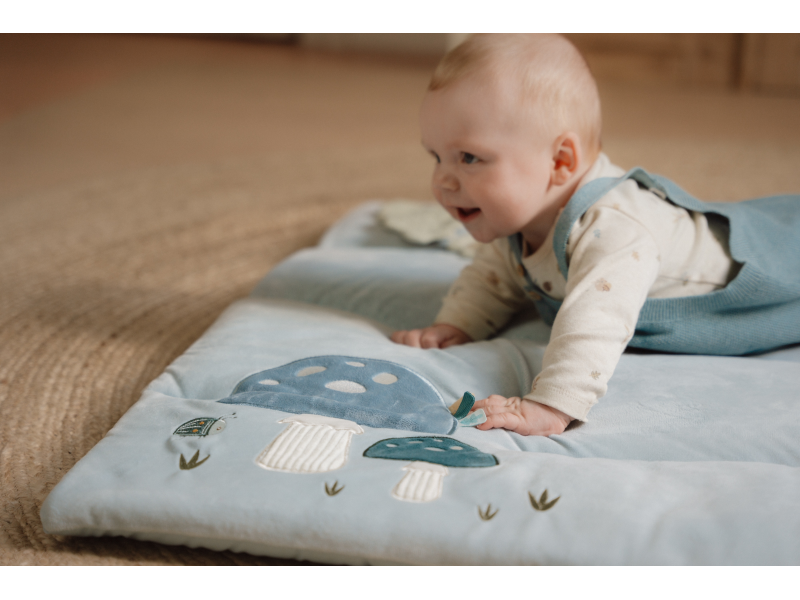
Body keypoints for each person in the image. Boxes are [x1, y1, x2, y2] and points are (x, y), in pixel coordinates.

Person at [390, 33, 800, 437]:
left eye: (469, 157)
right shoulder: (515, 219)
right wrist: (458, 324)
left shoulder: (614, 229)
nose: (442, 180)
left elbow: (596, 322)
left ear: (560, 161)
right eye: (436, 156)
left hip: (770, 285)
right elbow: (494, 275)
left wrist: (550, 405)